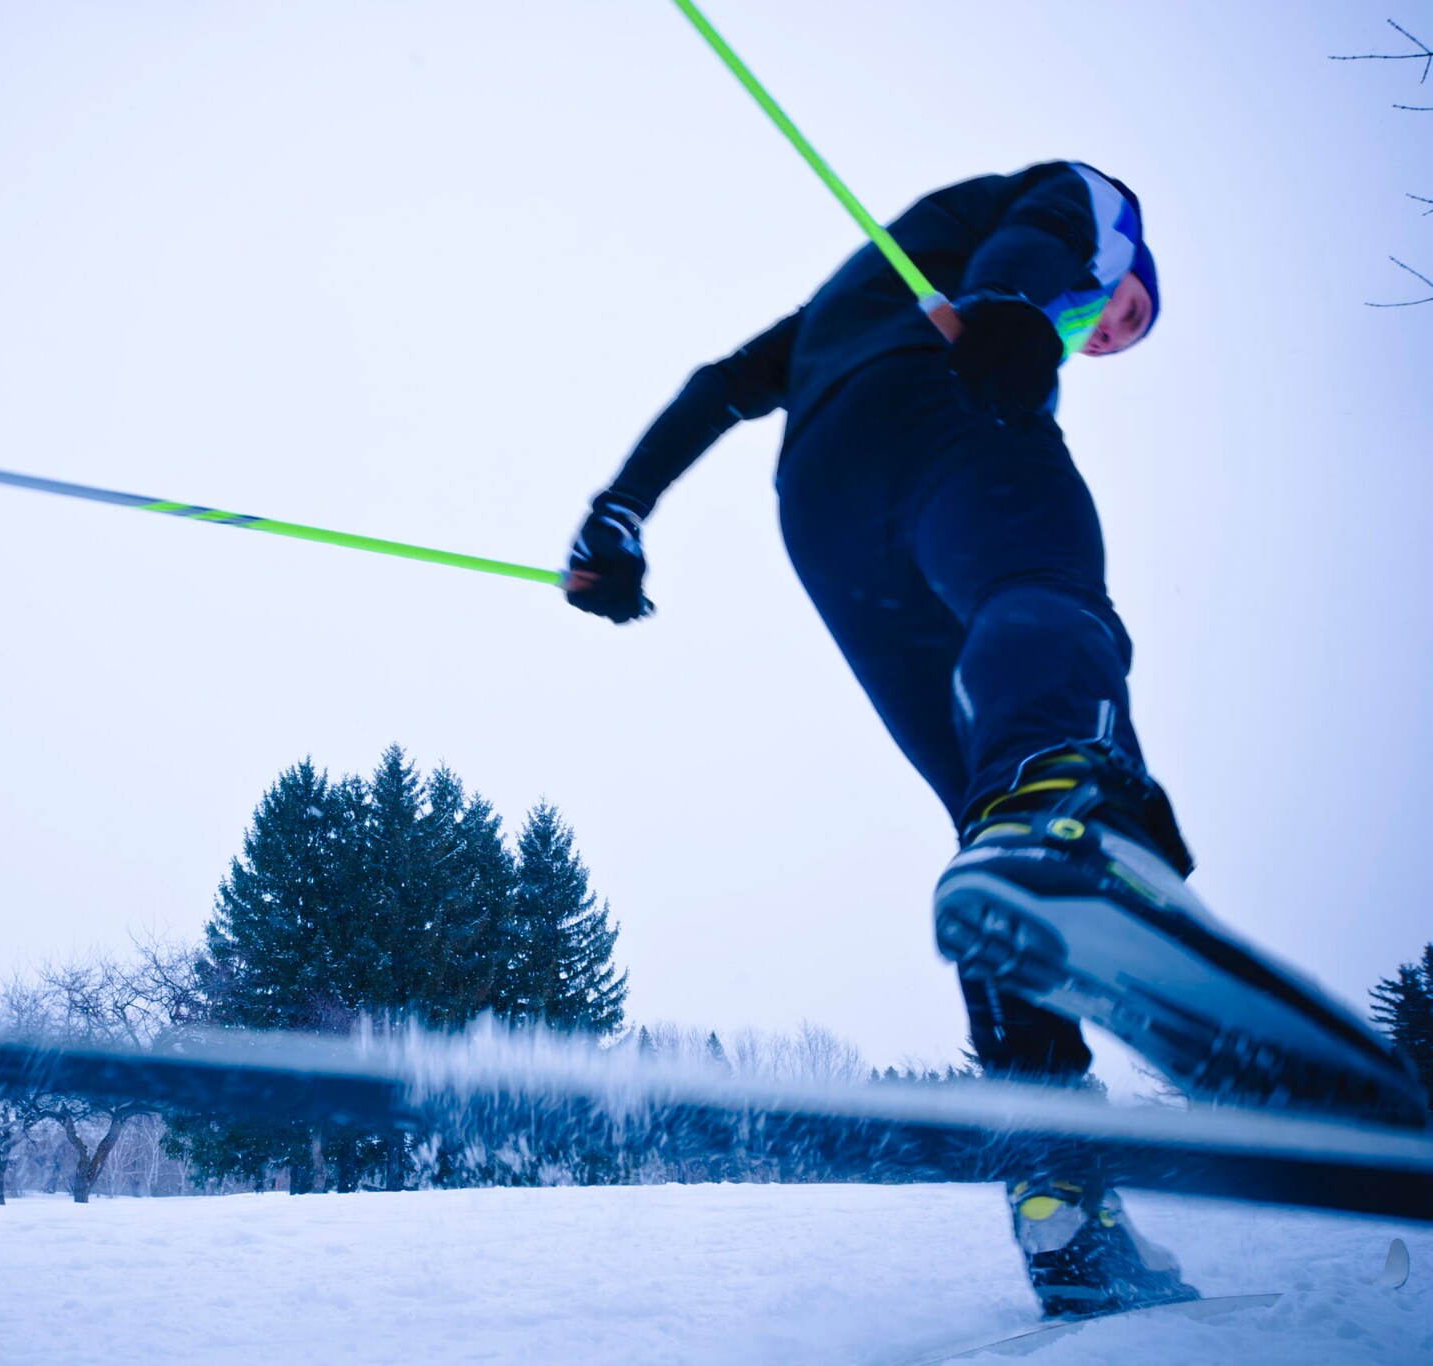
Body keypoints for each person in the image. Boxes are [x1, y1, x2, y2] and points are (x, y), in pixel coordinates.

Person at [564, 161, 1428, 1317]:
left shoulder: (844, 298)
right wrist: (1021, 305)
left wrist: (619, 510)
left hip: (822, 509)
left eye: (1115, 341)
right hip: (942, 419)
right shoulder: (1080, 215)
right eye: (1120, 313)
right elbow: (1053, 215)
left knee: (993, 834)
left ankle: (1057, 1198)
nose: (1106, 335)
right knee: (1047, 603)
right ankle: (1062, 818)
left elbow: (724, 386)